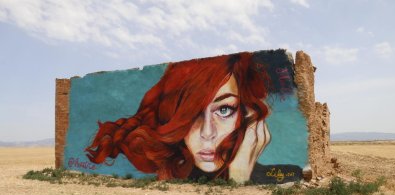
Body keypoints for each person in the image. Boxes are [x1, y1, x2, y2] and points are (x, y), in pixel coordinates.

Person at [85, 52, 271, 183]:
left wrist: (240, 176)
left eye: (224, 110)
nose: (207, 133)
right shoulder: (164, 174)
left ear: (247, 114)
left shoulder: (284, 176)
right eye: (192, 114)